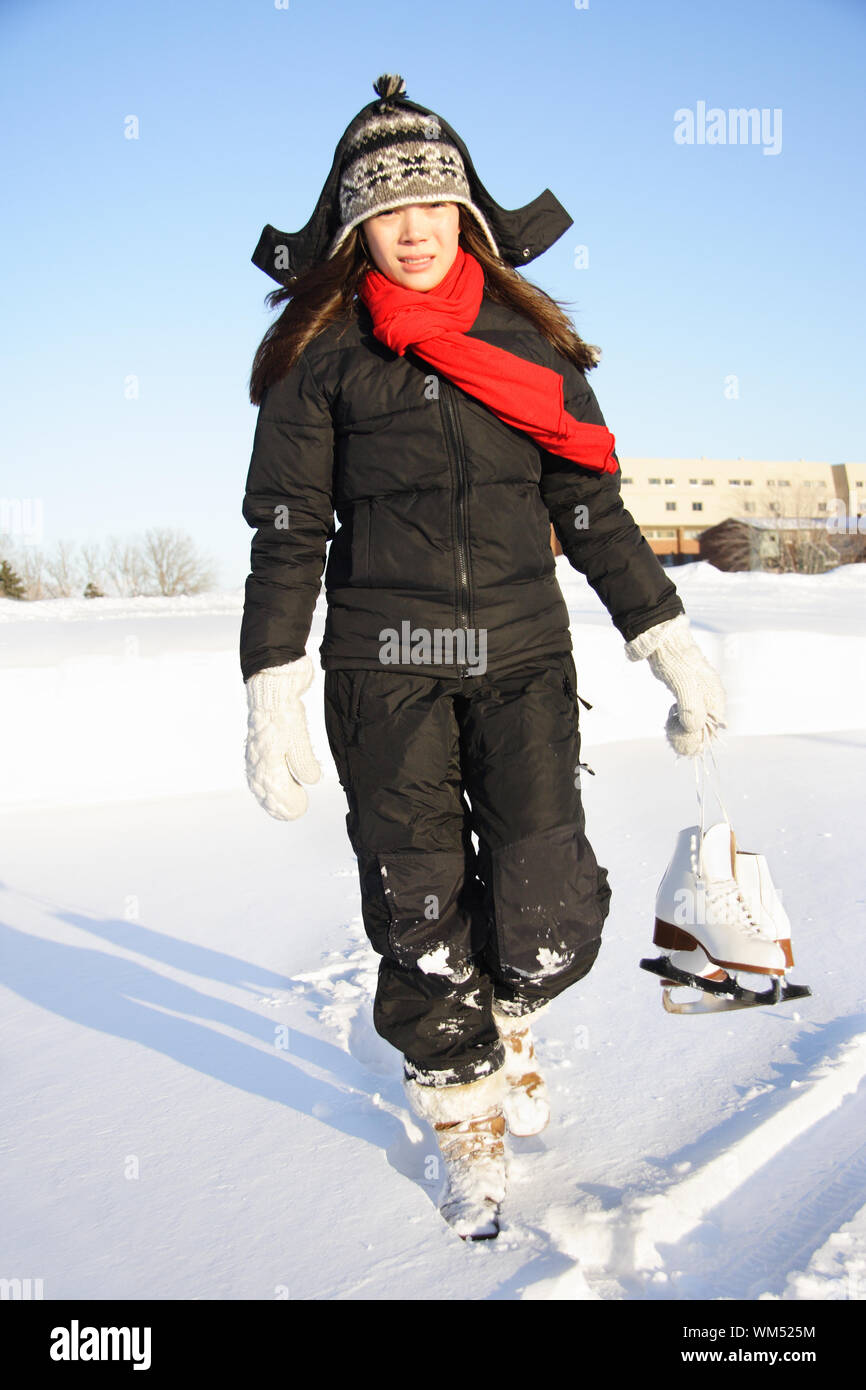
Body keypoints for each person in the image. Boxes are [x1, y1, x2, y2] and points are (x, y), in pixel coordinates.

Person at [240, 74, 726, 1239]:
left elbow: (590, 508)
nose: (411, 229)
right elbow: (289, 528)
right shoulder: (323, 354)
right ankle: (462, 1111)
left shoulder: (532, 346)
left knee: (547, 902)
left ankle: (507, 1015)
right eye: (385, 211)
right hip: (384, 659)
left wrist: (665, 635)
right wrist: (272, 685)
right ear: (357, 225)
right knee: (415, 899)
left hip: (519, 656)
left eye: (430, 204)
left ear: (463, 214)